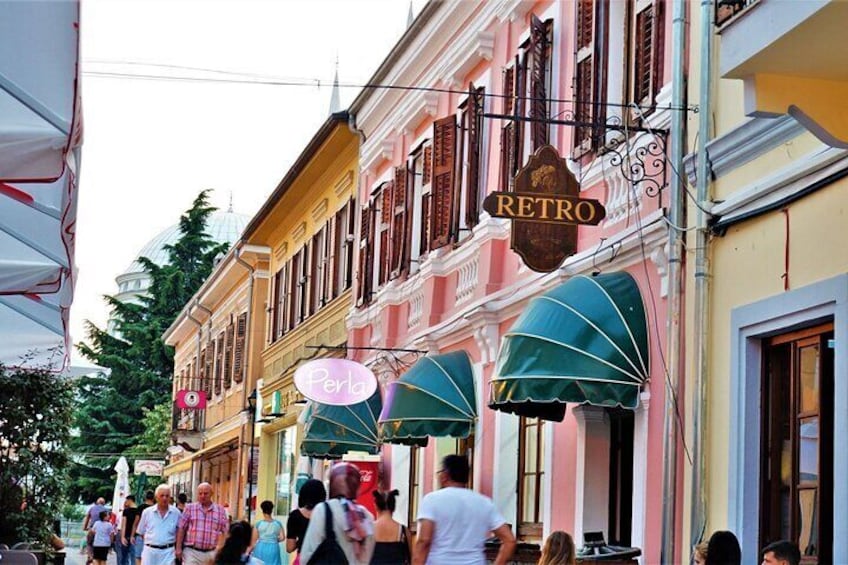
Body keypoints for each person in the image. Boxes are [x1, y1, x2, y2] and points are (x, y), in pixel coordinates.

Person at [412, 455, 515, 565]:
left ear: (445, 475)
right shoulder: (484, 503)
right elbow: (510, 540)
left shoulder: (432, 500)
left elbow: (424, 541)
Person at [300, 462, 376, 565]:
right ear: (357, 487)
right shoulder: (367, 517)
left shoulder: (323, 510)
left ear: (332, 485)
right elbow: (367, 558)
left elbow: (306, 557)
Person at [175, 483, 229, 565]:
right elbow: (181, 528)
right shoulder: (190, 508)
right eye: (200, 493)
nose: (203, 496)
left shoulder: (220, 510)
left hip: (211, 552)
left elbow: (225, 531)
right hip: (192, 552)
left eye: (205, 493)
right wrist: (178, 548)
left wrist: (221, 549)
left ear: (211, 493)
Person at [137, 484, 182, 565]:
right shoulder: (147, 512)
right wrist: (152, 542)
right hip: (150, 552)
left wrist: (178, 548)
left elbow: (179, 531)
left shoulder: (176, 513)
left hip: (168, 552)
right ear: (156, 497)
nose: (164, 498)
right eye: (162, 495)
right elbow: (141, 532)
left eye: (167, 496)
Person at [286, 479, 326, 565]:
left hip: (303, 560)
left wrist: (302, 539)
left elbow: (290, 548)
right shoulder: (328, 515)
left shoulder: (295, 515)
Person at [370, 490, 412, 565]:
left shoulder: (369, 529)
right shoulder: (403, 531)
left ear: (376, 506)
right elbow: (410, 558)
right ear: (394, 507)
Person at [251, 501, 285, 565]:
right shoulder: (278, 523)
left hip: (261, 547)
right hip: (274, 547)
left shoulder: (258, 524)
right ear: (271, 511)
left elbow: (254, 540)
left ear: (262, 511)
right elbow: (282, 537)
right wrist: (275, 540)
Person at [132, 491, 156, 565]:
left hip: (140, 535)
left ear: (145, 497)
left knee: (138, 557)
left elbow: (136, 522)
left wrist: (132, 535)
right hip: (153, 536)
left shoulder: (141, 507)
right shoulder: (156, 508)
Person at [83, 497, 108, 564]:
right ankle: (97, 559)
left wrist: (85, 527)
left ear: (97, 502)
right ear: (104, 503)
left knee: (89, 543)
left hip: (91, 529)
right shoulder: (106, 510)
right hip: (101, 531)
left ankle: (90, 556)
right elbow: (108, 521)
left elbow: (87, 518)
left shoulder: (92, 508)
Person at [119, 495, 141, 565]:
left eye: (126, 501)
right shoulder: (139, 511)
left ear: (129, 500)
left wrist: (122, 537)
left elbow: (124, 524)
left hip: (126, 535)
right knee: (134, 557)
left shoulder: (126, 511)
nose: (125, 502)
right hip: (135, 536)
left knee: (124, 558)